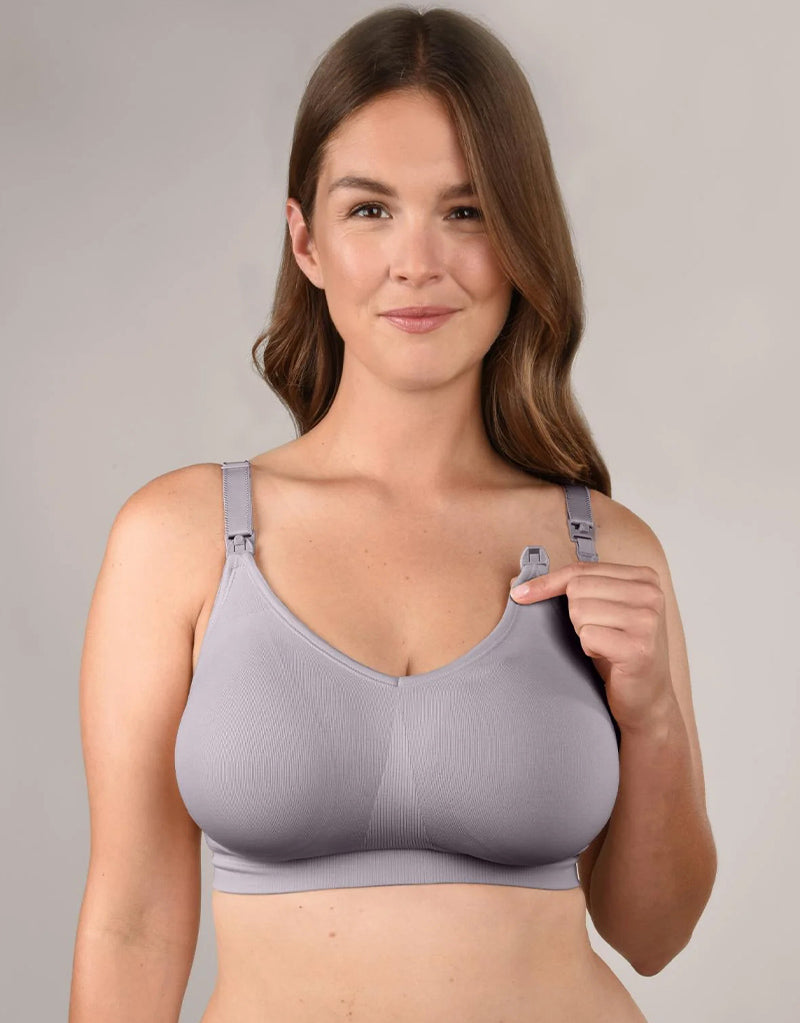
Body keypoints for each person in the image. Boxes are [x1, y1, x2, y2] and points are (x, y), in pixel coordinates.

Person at [69, 6, 717, 1022]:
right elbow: (132, 921)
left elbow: (653, 933)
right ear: (306, 240)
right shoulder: (179, 538)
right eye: (371, 209)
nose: (417, 262)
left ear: (521, 239)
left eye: (466, 212)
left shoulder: (603, 544)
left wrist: (653, 714)